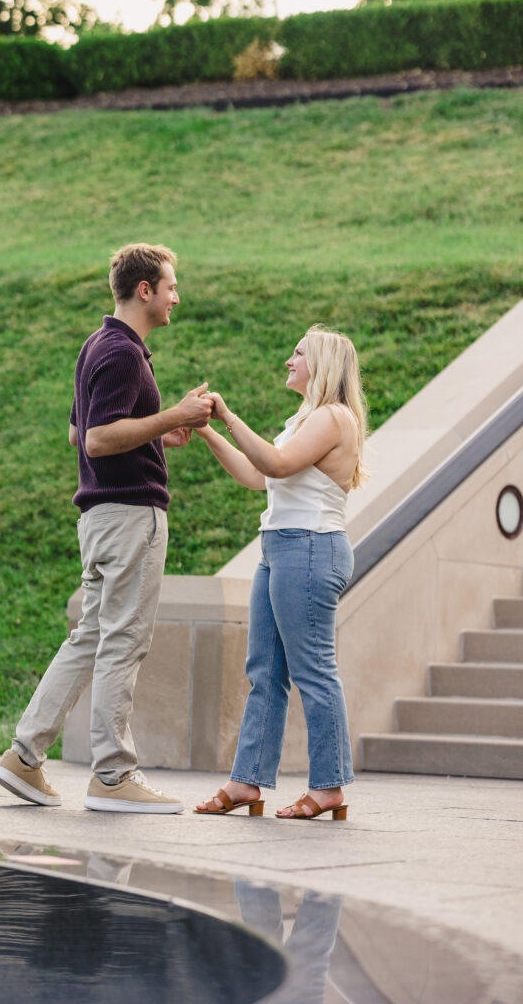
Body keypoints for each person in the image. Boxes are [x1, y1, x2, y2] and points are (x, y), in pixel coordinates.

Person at [0, 243, 212, 814]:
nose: (175, 296)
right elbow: (95, 439)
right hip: (130, 515)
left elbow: (79, 434)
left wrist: (157, 434)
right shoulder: (122, 353)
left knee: (90, 636)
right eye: (171, 286)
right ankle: (113, 776)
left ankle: (24, 756)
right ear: (145, 290)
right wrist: (175, 416)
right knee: (123, 640)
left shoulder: (97, 345)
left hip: (100, 518)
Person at [194, 325, 367, 820]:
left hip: (311, 548)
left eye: (298, 353)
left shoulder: (333, 418)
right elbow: (257, 474)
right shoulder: (304, 420)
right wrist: (208, 430)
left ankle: (329, 787)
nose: (288, 360)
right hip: (280, 548)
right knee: (264, 673)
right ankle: (247, 781)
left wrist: (228, 416)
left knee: (313, 671)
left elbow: (275, 461)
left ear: (323, 364)